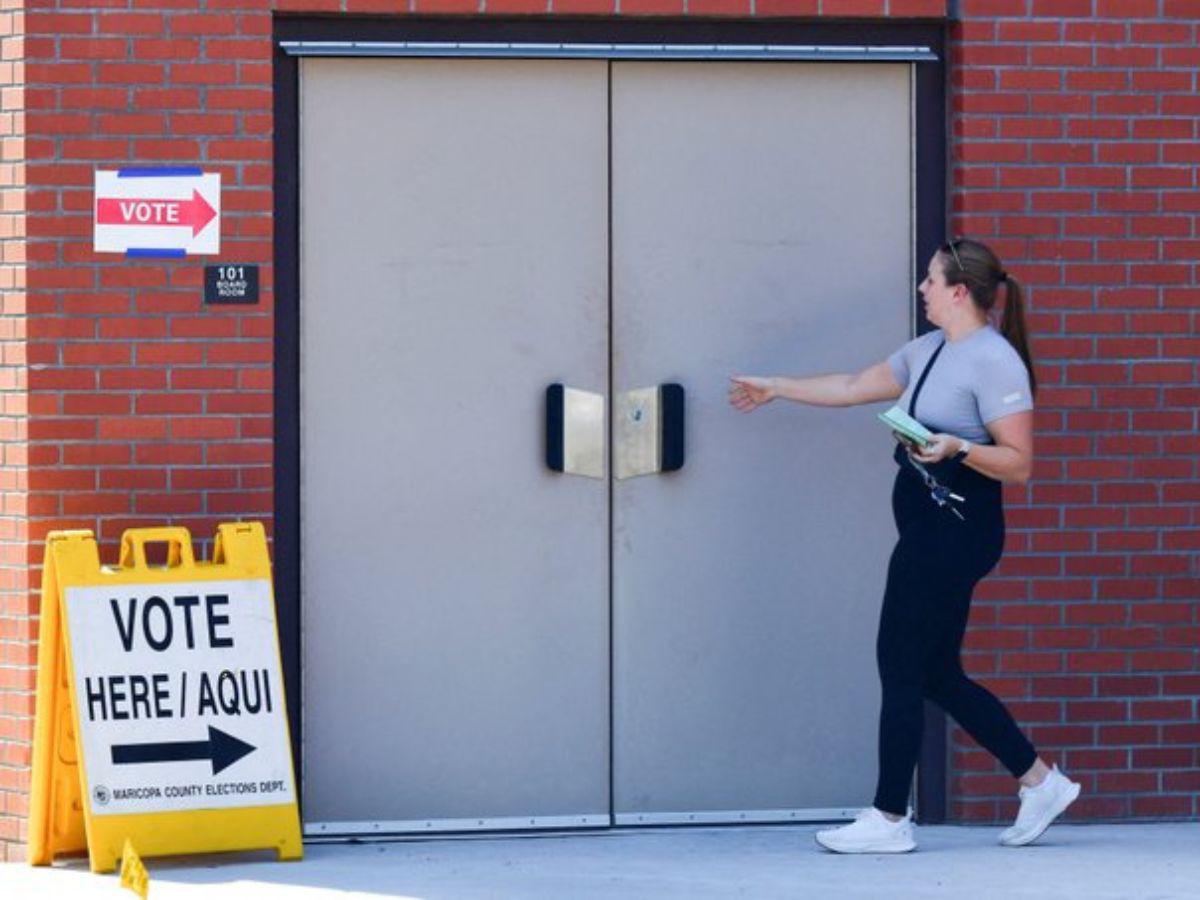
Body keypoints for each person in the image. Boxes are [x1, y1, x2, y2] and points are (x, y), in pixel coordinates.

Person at [729, 238, 1080, 853]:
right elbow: (849, 385)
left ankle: (890, 818)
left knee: (898, 659)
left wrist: (958, 447)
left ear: (959, 291)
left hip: (958, 531)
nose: (921, 288)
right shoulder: (928, 350)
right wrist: (776, 385)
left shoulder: (995, 362)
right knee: (936, 671)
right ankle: (1039, 781)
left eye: (930, 279)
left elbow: (1020, 464)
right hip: (926, 526)